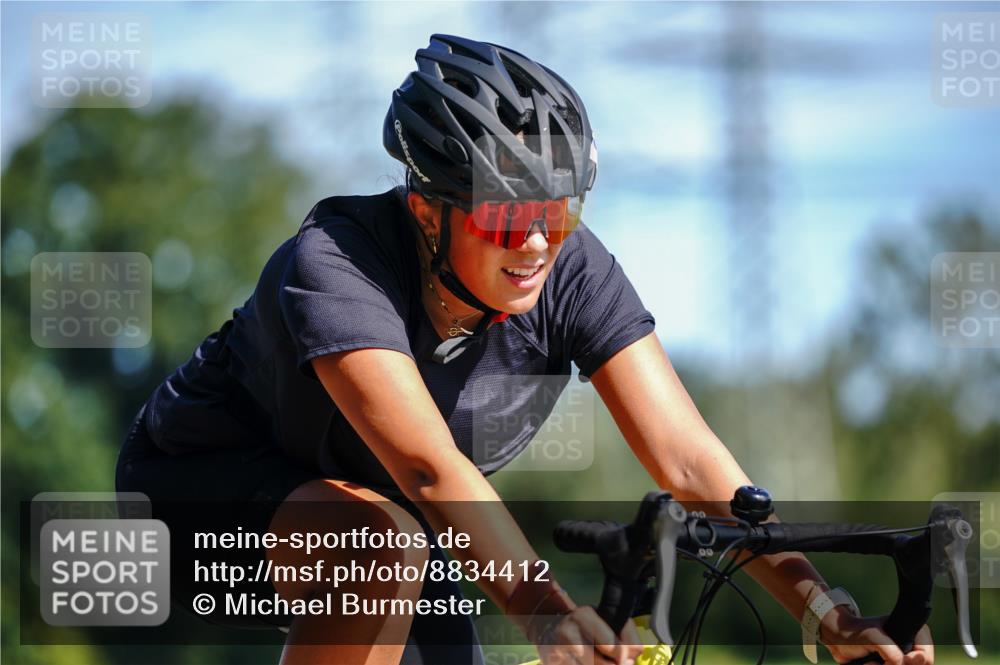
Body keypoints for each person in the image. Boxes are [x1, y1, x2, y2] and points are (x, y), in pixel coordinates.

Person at [115, 34, 935, 665]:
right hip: (197, 493)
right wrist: (544, 609)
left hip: (396, 515)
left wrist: (826, 612)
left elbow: (689, 462)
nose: (539, 243)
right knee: (385, 548)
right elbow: (433, 469)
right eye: (508, 218)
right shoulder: (334, 261)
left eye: (561, 214)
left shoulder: (568, 271)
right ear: (429, 210)